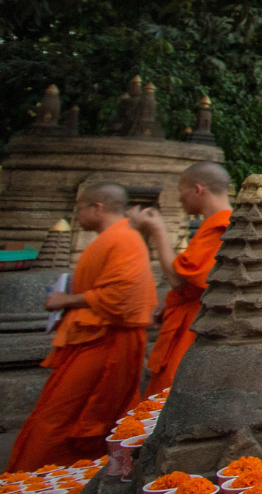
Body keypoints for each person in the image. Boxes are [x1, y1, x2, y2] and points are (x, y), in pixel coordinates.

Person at [6, 184, 155, 471]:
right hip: (93, 337)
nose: (78, 215)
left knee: (62, 416)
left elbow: (121, 296)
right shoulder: (112, 238)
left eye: (80, 208)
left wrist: (67, 300)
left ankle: (44, 476)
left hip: (107, 341)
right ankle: (54, 476)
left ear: (97, 207)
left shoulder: (124, 239)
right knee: (67, 414)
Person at [129, 160, 231, 394]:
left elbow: (178, 279)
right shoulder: (213, 225)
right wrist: (169, 301)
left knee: (171, 396)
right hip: (188, 317)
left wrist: (157, 231)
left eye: (180, 191)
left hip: (196, 325)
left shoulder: (222, 227)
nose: (179, 198)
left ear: (197, 189)